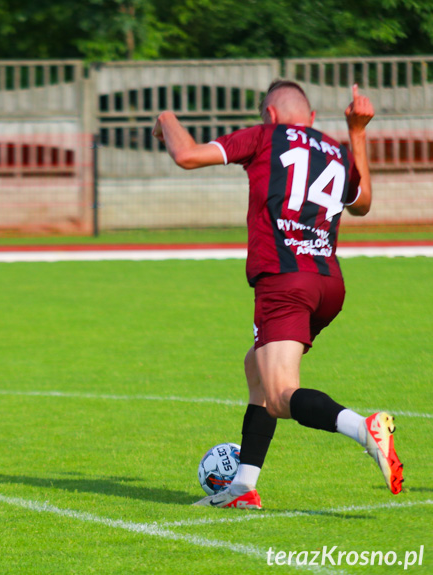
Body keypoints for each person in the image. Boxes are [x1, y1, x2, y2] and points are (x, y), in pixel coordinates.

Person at [153, 81, 403, 509]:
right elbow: (361, 204)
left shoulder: (265, 136)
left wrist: (165, 120)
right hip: (327, 283)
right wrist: (357, 132)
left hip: (284, 282)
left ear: (269, 115)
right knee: (256, 368)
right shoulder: (332, 148)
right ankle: (242, 487)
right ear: (311, 118)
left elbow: (186, 155)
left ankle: (364, 428)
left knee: (281, 395)